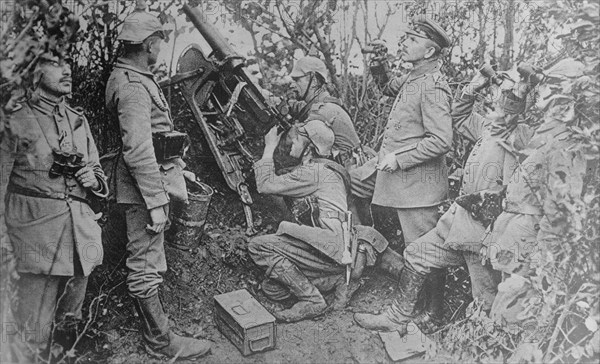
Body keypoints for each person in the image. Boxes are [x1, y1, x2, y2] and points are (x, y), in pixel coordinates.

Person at [353, 63, 540, 333]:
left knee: (485, 299)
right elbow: (456, 118)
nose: (500, 88)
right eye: (502, 85)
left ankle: (485, 343)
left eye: (508, 86)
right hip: (459, 223)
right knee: (416, 253)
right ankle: (398, 317)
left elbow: (511, 117)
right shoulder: (488, 127)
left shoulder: (520, 134)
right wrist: (473, 87)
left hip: (485, 233)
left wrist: (518, 91)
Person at [104, 6, 211, 360]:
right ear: (149, 44)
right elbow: (137, 149)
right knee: (146, 262)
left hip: (151, 178)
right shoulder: (133, 85)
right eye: (158, 43)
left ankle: (159, 336)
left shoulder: (134, 76)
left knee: (147, 258)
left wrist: (180, 170)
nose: (159, 49)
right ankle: (161, 341)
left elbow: (156, 138)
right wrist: (156, 201)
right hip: (141, 187)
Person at [1, 52, 108, 359]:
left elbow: (99, 175)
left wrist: (93, 180)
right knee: (32, 331)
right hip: (35, 237)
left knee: (69, 328)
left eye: (69, 64)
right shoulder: (15, 121)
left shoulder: (77, 120)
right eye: (56, 63)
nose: (67, 70)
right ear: (35, 72)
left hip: (79, 237)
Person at [349, 15, 452, 325]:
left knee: (425, 249)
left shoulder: (433, 86)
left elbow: (441, 140)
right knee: (417, 247)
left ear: (431, 51)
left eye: (413, 40)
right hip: (405, 183)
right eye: (405, 37)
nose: (404, 43)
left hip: (419, 187)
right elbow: (387, 88)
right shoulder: (414, 76)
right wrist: (379, 63)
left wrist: (399, 159)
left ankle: (433, 314)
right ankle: (417, 302)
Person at [249, 120, 388, 322]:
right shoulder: (332, 171)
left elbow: (265, 185)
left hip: (328, 247)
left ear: (308, 150)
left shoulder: (313, 172)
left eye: (297, 140)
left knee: (258, 247)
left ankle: (312, 300)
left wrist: (269, 147)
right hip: (339, 252)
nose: (291, 143)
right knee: (273, 289)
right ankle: (336, 280)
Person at [482, 58, 587, 327]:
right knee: (503, 309)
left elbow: (561, 208)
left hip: (532, 237)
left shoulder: (567, 141)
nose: (540, 90)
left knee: (515, 316)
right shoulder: (546, 129)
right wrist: (519, 91)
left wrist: (543, 259)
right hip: (513, 229)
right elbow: (499, 127)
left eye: (550, 85)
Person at [277, 56, 365, 171]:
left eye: (297, 80)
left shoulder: (322, 111)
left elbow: (294, 147)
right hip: (349, 168)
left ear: (313, 81)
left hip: (347, 175)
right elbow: (303, 108)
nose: (292, 85)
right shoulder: (326, 102)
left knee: (280, 173)